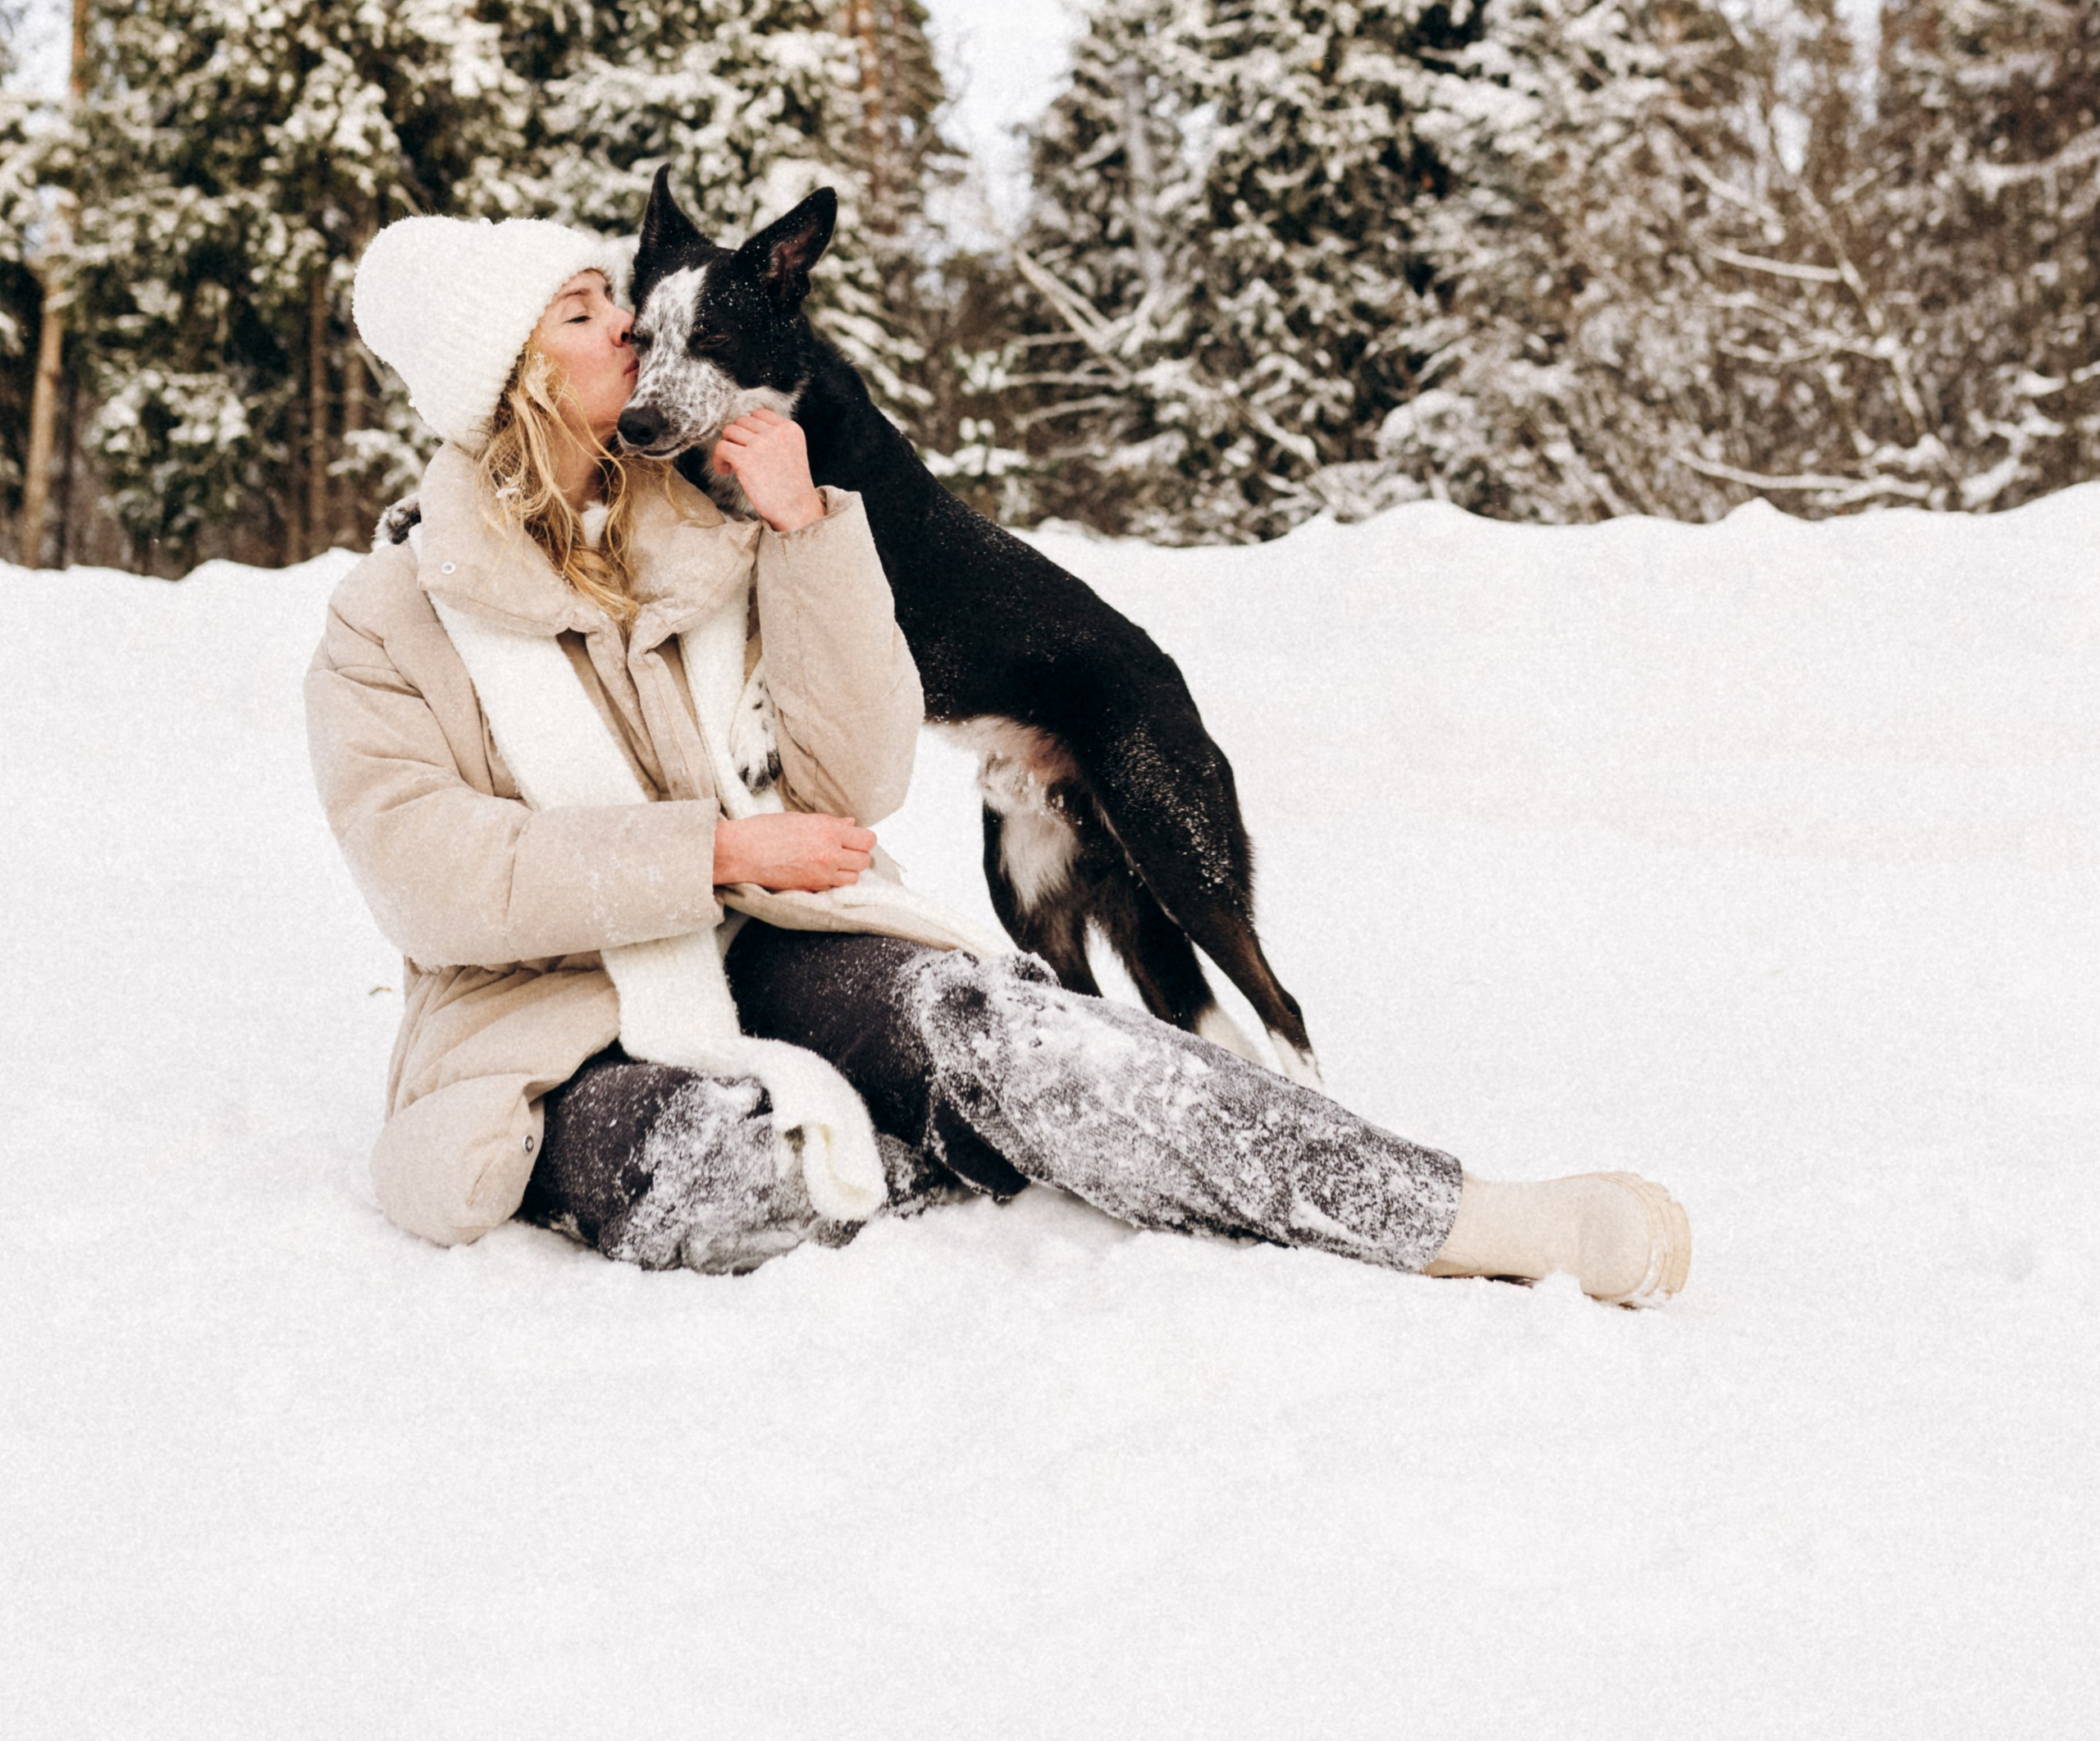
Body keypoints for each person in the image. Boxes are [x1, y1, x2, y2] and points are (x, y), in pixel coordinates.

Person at [308, 214, 1691, 1302]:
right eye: (586, 310)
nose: (630, 323)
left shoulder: (709, 535)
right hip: (550, 1025)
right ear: (509, 369)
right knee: (720, 1169)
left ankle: (1459, 1217)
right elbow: (432, 878)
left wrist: (805, 532)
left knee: (1016, 1028)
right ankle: (940, 1136)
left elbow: (852, 787)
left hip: (769, 947)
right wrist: (714, 850)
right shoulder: (388, 623)